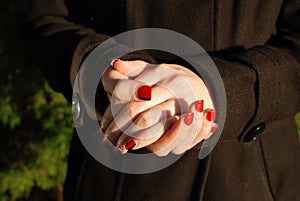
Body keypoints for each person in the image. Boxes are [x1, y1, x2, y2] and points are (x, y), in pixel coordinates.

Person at [26, 0, 300, 201]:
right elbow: (48, 19)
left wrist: (225, 90)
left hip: (253, 173)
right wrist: (104, 70)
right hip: (115, 176)